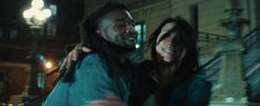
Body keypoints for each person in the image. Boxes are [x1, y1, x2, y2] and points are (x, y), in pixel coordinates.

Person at [64, 16, 211, 106]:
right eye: (166, 35)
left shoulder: (197, 85)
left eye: (179, 40)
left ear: (188, 49)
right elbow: (113, 57)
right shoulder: (142, 69)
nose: (171, 43)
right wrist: (86, 47)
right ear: (156, 40)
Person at [42, 1, 138, 106]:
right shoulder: (94, 64)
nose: (132, 30)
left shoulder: (122, 66)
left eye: (132, 24)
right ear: (99, 33)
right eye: (120, 25)